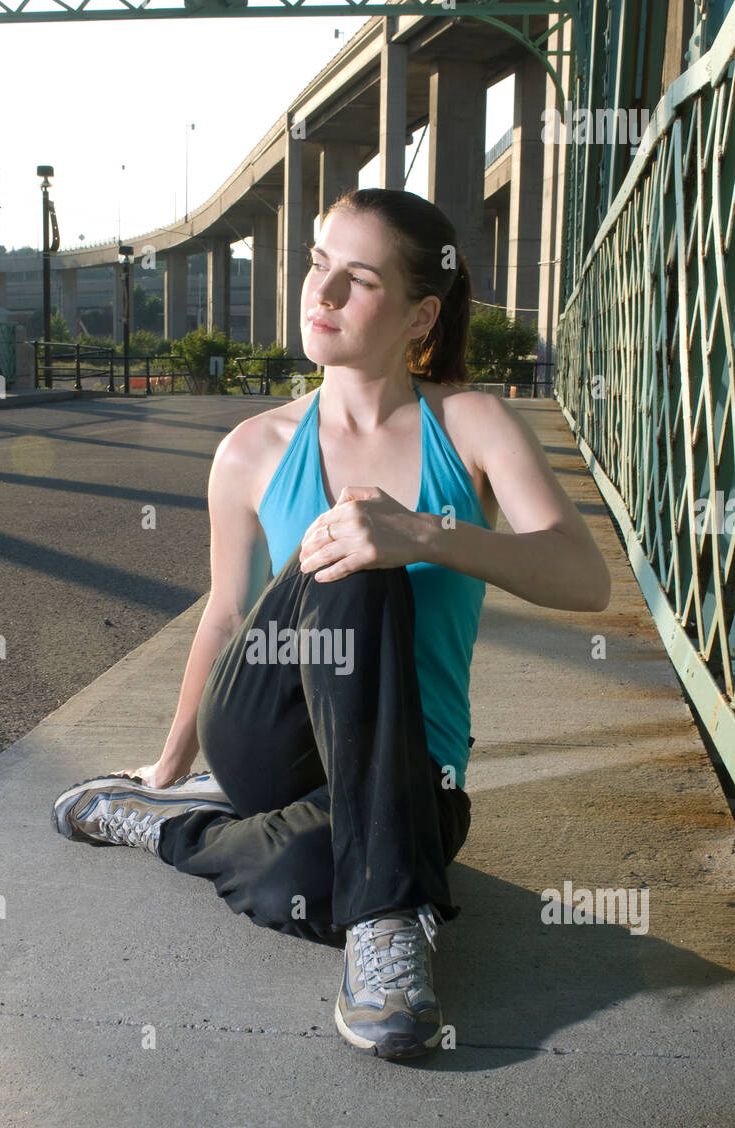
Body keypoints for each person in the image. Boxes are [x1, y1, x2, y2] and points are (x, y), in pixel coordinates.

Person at [52, 187, 610, 1062]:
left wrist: (425, 532)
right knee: (352, 546)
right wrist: (170, 762)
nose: (324, 294)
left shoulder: (470, 425)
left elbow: (583, 577)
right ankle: (390, 918)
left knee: (310, 875)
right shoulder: (253, 448)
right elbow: (229, 613)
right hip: (267, 739)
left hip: (417, 768)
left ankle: (167, 828)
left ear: (421, 312)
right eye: (319, 266)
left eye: (358, 279)